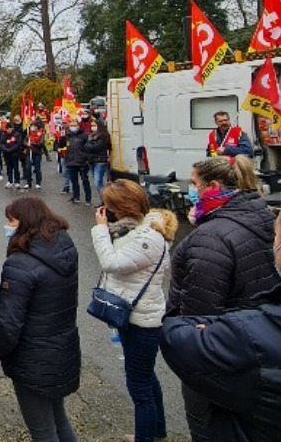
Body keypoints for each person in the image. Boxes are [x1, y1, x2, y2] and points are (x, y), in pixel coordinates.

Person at [170, 156, 278, 442]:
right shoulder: (261, 215)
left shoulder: (210, 237)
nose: (191, 190)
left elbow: (198, 315)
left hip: (219, 356)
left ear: (213, 186)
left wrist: (184, 342)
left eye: (194, 184)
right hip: (257, 344)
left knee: (209, 427)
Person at [91, 181, 177, 442]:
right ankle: (156, 431)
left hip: (143, 322)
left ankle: (145, 437)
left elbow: (111, 263)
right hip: (135, 316)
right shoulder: (137, 230)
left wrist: (101, 230)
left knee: (139, 387)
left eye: (110, 205)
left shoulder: (147, 238)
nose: (105, 210)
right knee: (147, 377)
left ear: (121, 207)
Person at [0, 197, 80, 442]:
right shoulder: (63, 248)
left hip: (33, 358)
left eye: (11, 220)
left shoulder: (21, 264)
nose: (7, 225)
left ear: (24, 222)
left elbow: (10, 323)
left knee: (42, 430)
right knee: (58, 418)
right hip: (62, 349)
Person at [65, 119, 92, 205]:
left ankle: (88, 198)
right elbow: (62, 146)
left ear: (78, 126)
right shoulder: (67, 135)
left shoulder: (84, 135)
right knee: (74, 181)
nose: (73, 127)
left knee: (85, 180)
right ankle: (76, 197)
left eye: (75, 125)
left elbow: (88, 148)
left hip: (82, 161)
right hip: (71, 161)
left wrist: (86, 158)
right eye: (71, 125)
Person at [85, 121, 112, 194]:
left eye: (94, 125)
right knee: (96, 183)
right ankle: (104, 201)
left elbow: (95, 147)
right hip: (92, 160)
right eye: (91, 125)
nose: (92, 127)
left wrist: (88, 145)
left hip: (100, 161)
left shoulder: (104, 136)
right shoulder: (91, 136)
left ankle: (107, 199)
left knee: (98, 182)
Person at [0, 121, 23, 189]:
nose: (9, 130)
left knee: (16, 168)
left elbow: (18, 144)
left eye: (10, 129)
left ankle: (17, 182)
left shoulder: (16, 134)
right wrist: (5, 149)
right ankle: (9, 181)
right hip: (7, 154)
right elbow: (1, 143)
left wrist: (11, 149)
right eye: (7, 129)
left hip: (14, 154)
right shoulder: (4, 134)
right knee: (9, 168)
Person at [24, 121, 46, 190]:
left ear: (37, 127)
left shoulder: (41, 134)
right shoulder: (28, 134)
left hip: (37, 153)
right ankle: (28, 182)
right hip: (29, 152)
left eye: (34, 126)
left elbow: (41, 143)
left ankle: (38, 183)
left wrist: (32, 144)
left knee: (37, 168)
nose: (32, 128)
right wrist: (27, 144)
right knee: (28, 168)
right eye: (31, 126)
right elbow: (24, 141)